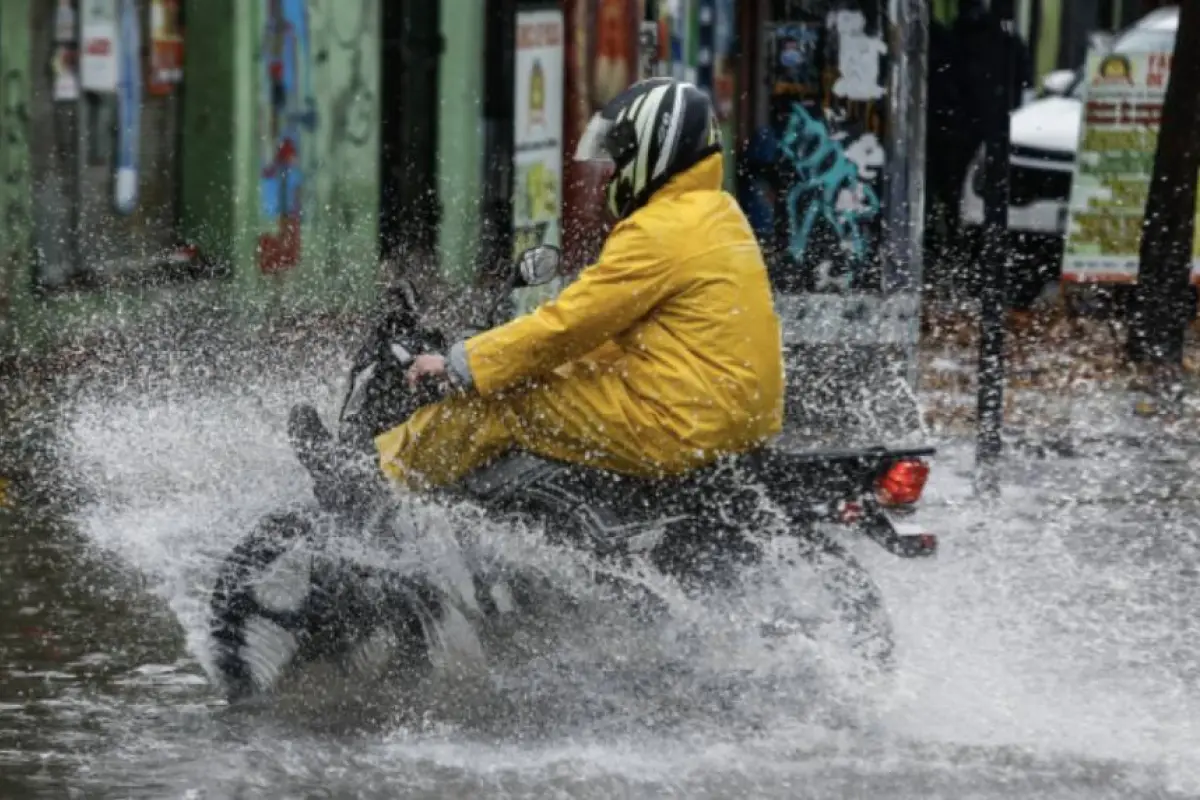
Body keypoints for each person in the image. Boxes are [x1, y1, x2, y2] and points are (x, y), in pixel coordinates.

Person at [375, 77, 785, 489]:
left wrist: (464, 364)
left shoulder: (660, 229)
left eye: (622, 157)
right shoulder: (721, 213)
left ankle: (378, 483)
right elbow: (623, 332)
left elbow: (572, 323)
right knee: (560, 375)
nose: (613, 172)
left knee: (500, 402)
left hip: (680, 420)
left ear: (658, 151)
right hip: (737, 417)